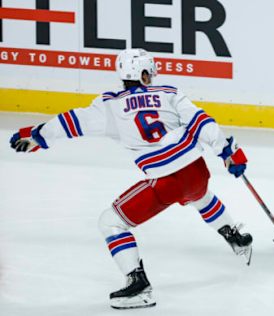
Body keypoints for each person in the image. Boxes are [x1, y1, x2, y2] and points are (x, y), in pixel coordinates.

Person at [9, 48, 253, 309]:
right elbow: (202, 122)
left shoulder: (110, 105)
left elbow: (71, 121)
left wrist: (36, 135)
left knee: (111, 222)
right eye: (151, 70)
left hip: (166, 180)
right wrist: (228, 151)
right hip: (196, 170)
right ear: (145, 74)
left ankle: (139, 286)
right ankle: (234, 236)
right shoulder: (169, 93)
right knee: (201, 196)